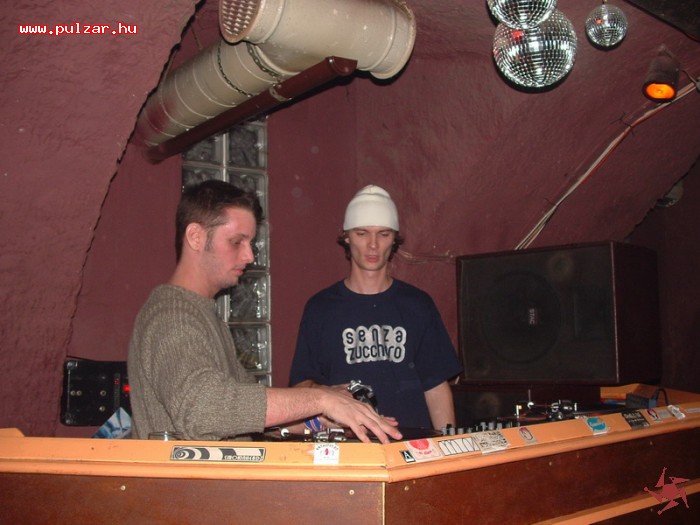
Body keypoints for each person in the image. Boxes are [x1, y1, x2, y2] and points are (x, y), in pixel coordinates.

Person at [127, 180, 402, 443]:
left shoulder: (201, 314)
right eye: (237, 242)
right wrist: (322, 400)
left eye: (250, 244)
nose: (249, 256)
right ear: (196, 237)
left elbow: (245, 416)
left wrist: (322, 419)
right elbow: (203, 408)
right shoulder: (172, 316)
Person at [289, 185, 463, 431]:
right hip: (348, 447)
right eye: (362, 233)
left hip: (412, 444)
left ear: (394, 239)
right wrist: (327, 395)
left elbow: (435, 386)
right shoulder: (321, 308)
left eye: (383, 234)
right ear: (347, 237)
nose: (373, 245)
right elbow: (301, 387)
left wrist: (449, 444)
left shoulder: (417, 304)